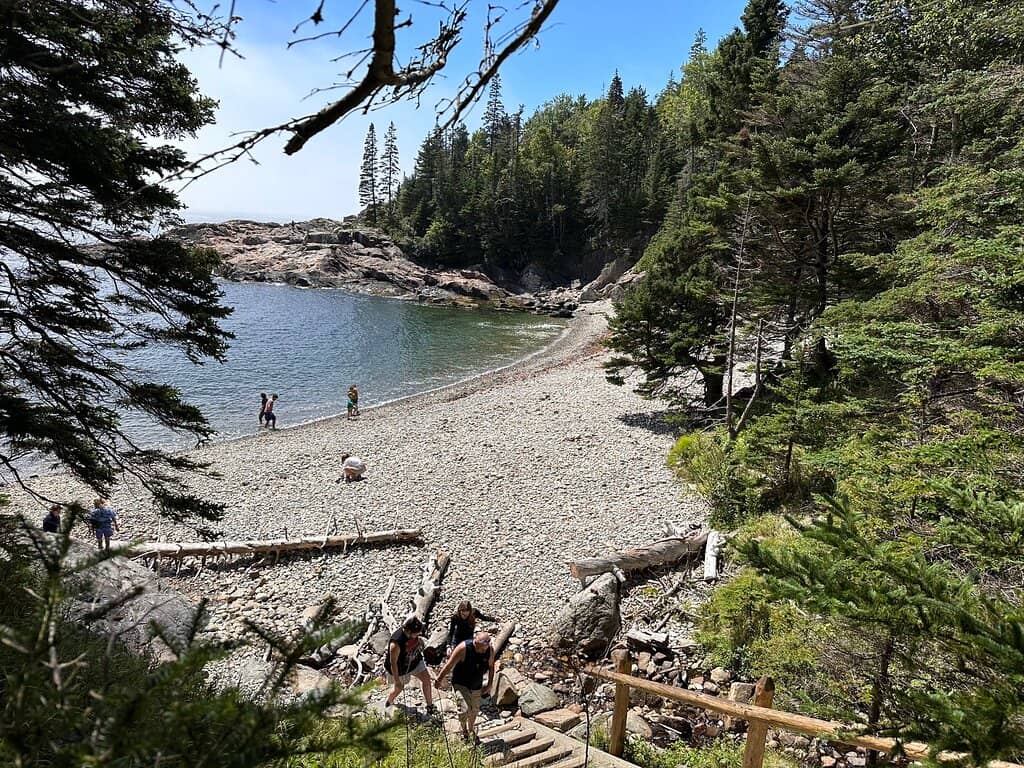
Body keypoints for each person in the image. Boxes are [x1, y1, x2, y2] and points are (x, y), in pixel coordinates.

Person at [435, 631, 496, 742]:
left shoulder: (489, 650)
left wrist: (490, 683)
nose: (483, 650)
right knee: (464, 710)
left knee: (474, 709)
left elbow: (491, 666)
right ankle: (464, 731)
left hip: (476, 684)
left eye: (485, 648)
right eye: (482, 648)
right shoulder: (463, 648)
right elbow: (449, 665)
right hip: (461, 683)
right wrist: (439, 679)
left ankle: (471, 729)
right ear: (475, 643)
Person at [385, 616, 435, 714]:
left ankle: (430, 706)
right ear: (409, 631)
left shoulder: (415, 632)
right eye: (416, 633)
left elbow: (418, 640)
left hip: (415, 661)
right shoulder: (396, 642)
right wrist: (397, 680)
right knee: (398, 688)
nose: (419, 634)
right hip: (401, 668)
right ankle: (389, 702)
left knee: (426, 679)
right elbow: (393, 663)